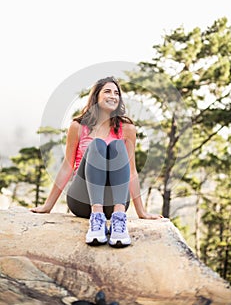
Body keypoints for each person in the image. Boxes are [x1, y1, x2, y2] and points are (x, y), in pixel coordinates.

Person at [31, 76, 163, 247]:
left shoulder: (127, 129)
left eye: (116, 93)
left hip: (115, 201)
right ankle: (97, 218)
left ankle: (119, 221)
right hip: (82, 200)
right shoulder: (78, 127)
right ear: (96, 96)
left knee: (117, 146)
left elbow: (131, 171)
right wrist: (47, 206)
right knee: (97, 145)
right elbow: (67, 166)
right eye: (107, 91)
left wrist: (141, 212)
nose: (113, 96)